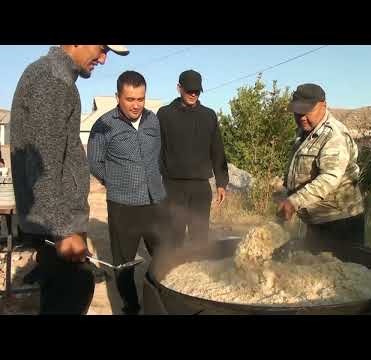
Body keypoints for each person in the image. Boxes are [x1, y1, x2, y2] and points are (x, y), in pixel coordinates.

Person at [10, 45, 129, 314]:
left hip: (56, 224)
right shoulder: (52, 80)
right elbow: (44, 165)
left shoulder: (57, 78)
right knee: (75, 288)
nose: (103, 58)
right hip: (54, 228)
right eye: (101, 48)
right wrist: (64, 230)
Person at [88, 70, 171, 315]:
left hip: (156, 201)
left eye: (140, 99)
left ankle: (157, 296)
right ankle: (131, 306)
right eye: (130, 99)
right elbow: (94, 162)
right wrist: (115, 182)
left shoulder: (153, 120)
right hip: (123, 205)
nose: (136, 105)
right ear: (118, 97)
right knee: (124, 263)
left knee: (165, 255)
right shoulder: (103, 125)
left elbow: (159, 154)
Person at [277, 83, 365, 254]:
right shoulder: (304, 134)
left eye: (306, 110)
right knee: (312, 271)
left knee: (338, 277)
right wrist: (285, 195)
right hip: (317, 221)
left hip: (340, 223)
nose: (301, 116)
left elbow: (329, 178)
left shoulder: (334, 135)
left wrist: (294, 201)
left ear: (323, 105)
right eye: (297, 111)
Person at [156, 70, 229, 248]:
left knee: (200, 236)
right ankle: (172, 272)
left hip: (200, 187)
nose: (193, 94)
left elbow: (217, 149)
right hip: (173, 186)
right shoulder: (164, 114)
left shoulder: (209, 115)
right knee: (174, 235)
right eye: (189, 90)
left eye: (197, 91)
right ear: (179, 88)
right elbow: (156, 149)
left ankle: (199, 272)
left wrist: (221, 182)